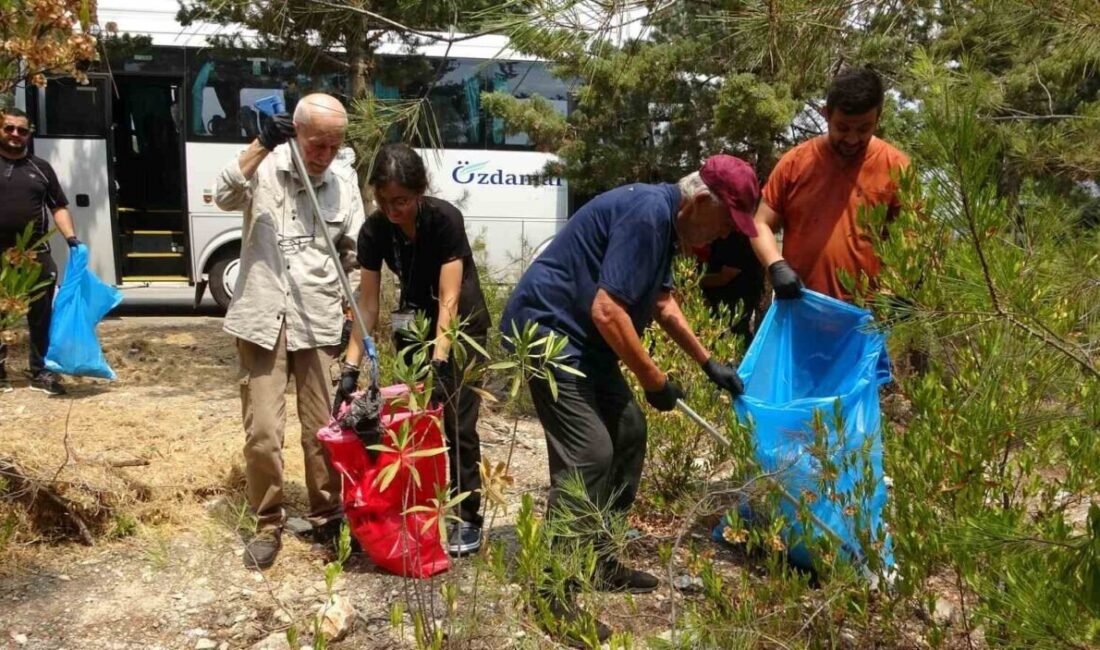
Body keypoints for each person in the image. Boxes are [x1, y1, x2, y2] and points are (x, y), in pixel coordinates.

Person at [500, 155, 760, 642]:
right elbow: (607, 311)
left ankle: (597, 558)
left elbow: (660, 301)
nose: (724, 236)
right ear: (701, 202)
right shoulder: (648, 215)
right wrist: (654, 379)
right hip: (547, 333)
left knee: (628, 432)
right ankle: (551, 595)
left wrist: (708, 363)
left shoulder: (664, 221)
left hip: (584, 341)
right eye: (726, 222)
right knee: (590, 455)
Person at [214, 94, 364, 570]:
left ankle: (327, 516)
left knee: (323, 431)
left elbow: (355, 253)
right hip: (262, 317)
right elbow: (223, 194)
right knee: (262, 432)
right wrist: (261, 143)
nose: (325, 154)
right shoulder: (266, 163)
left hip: (317, 319)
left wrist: (352, 313)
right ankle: (267, 522)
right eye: (317, 143)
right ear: (296, 132)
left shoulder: (344, 178)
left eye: (334, 145)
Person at [335, 143, 491, 557]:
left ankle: (466, 517)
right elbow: (367, 304)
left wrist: (440, 358)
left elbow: (450, 299)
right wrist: (349, 366)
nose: (392, 210)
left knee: (458, 425)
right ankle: (413, 510)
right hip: (414, 328)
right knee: (411, 425)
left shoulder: (443, 220)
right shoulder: (374, 231)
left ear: (420, 191)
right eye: (382, 200)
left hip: (459, 330)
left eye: (401, 201)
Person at [750, 67, 910, 302]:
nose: (852, 139)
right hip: (801, 306)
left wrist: (896, 286)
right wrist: (776, 265)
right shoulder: (795, 163)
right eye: (843, 128)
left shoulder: (897, 167)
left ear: (878, 117)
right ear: (826, 114)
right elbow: (760, 223)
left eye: (864, 128)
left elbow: (913, 237)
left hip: (865, 316)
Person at [0, 108, 80, 396]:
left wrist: (72, 239)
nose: (15, 135)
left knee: (42, 315)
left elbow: (58, 206)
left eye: (22, 130)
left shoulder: (41, 168)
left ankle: (40, 371)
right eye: (9, 128)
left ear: (29, 134)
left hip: (35, 254)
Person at [694, 231, 764, 343]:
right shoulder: (730, 236)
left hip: (733, 301)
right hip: (728, 300)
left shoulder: (735, 239)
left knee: (734, 338)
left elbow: (724, 277)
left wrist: (693, 282)